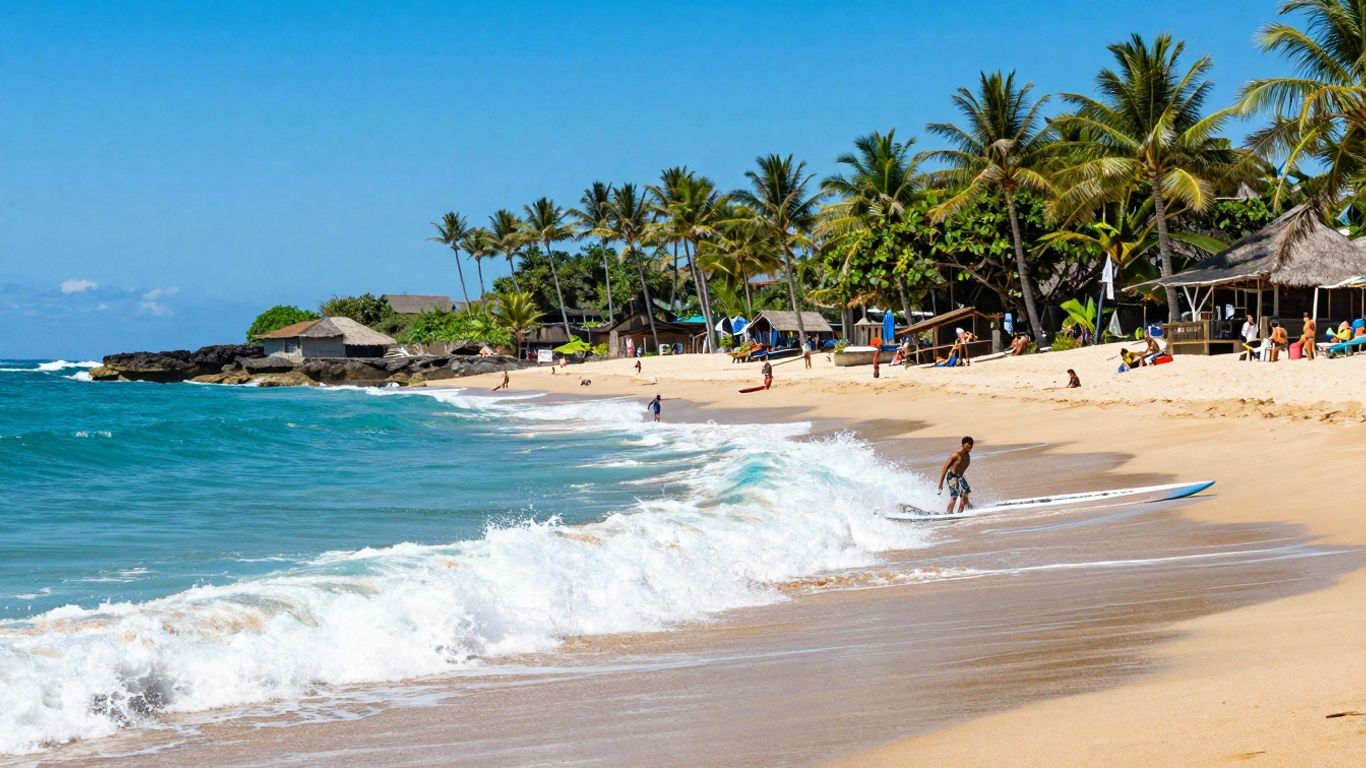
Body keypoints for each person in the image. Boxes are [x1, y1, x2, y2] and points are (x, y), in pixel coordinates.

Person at [937, 436, 974, 515]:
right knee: (954, 495)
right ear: (963, 445)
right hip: (952, 477)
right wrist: (941, 483)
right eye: (967, 447)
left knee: (966, 493)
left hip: (960, 477)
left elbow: (961, 470)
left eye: (970, 448)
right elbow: (945, 468)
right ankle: (948, 514)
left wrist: (966, 500)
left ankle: (960, 513)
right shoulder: (955, 455)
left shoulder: (967, 456)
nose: (969, 449)